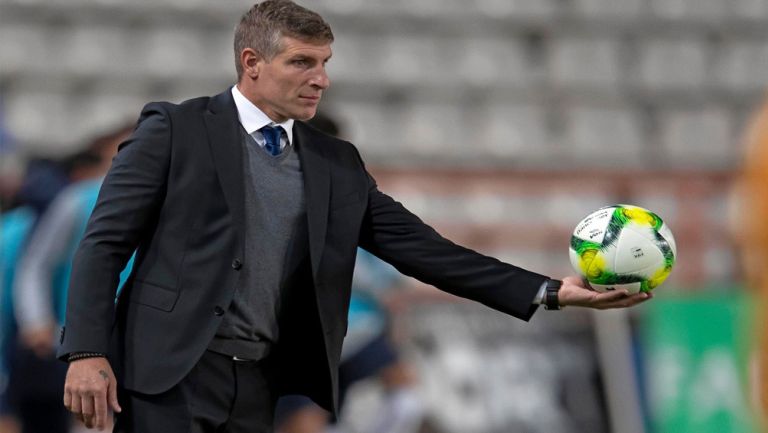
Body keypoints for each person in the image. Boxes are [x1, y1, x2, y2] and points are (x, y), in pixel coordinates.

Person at [58, 1, 651, 432]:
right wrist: (86, 353)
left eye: (325, 62)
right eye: (302, 62)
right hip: (166, 373)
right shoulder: (174, 129)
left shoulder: (334, 163)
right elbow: (103, 244)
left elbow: (424, 250)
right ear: (251, 62)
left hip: (260, 383)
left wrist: (550, 291)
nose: (321, 78)